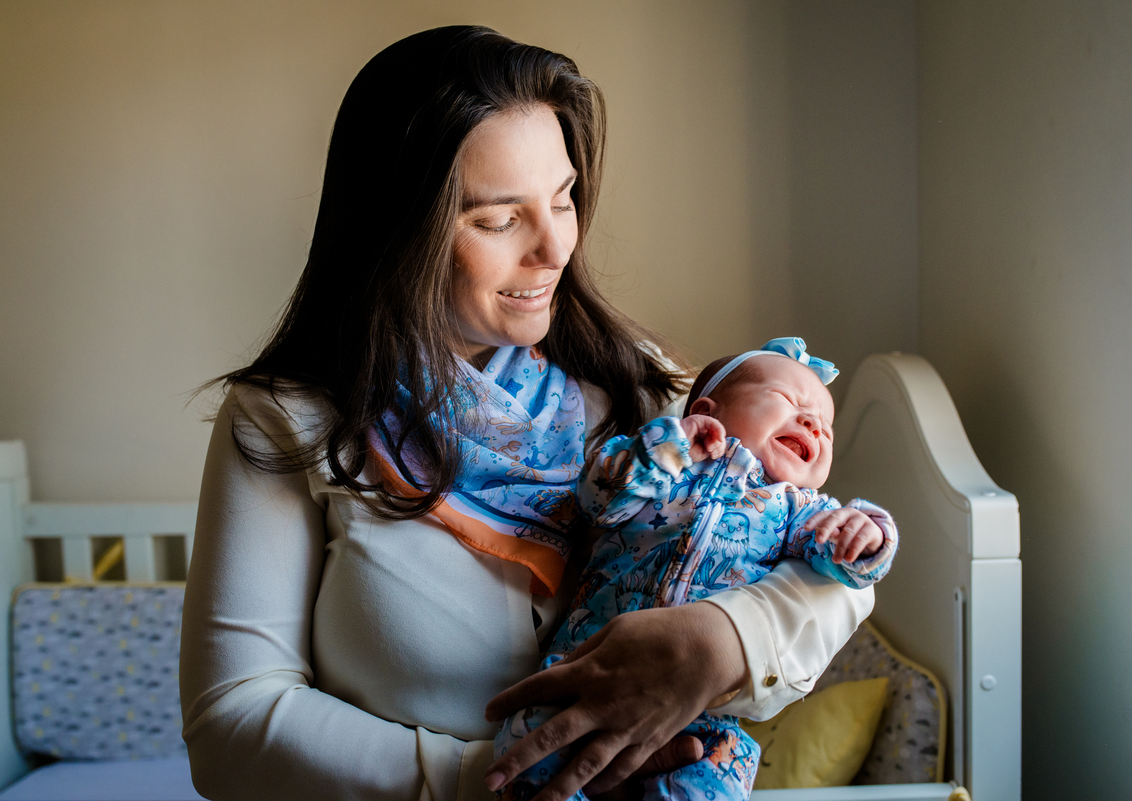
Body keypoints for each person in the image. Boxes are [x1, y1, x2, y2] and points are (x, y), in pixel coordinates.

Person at [179, 26, 874, 801]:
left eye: (564, 198)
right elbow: (230, 725)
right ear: (394, 232)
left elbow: (837, 563)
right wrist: (497, 780)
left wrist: (724, 641)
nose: (555, 249)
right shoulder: (285, 421)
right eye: (498, 218)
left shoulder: (648, 389)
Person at [495, 338, 897, 801]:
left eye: (826, 427)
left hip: (707, 717)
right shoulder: (667, 471)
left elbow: (843, 571)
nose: (814, 424)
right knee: (533, 745)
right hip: (588, 669)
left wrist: (865, 534)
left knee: (717, 778)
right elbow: (597, 500)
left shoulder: (798, 511)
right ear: (708, 410)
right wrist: (668, 444)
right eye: (790, 401)